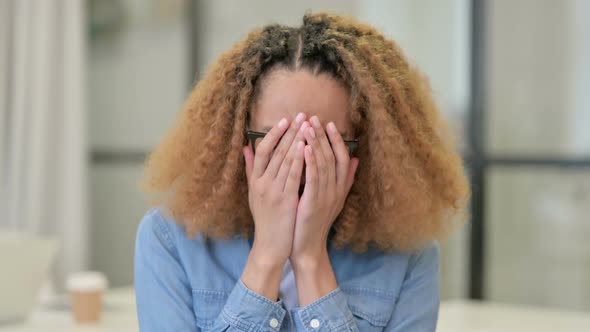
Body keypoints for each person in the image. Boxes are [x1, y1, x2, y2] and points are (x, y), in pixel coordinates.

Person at [134, 11, 469, 332]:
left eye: (327, 143)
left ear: (368, 149)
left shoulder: (408, 255)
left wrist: (311, 260)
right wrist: (266, 255)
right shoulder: (169, 239)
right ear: (236, 137)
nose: (298, 164)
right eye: (276, 140)